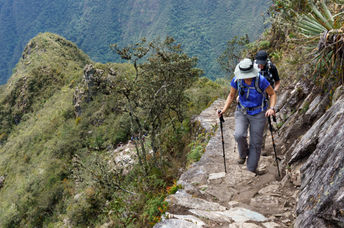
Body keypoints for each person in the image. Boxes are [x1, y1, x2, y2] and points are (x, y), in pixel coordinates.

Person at [218, 58, 276, 175]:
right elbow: (231, 95)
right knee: (239, 135)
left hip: (259, 112)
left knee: (256, 142)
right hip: (242, 111)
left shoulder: (261, 80)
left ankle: (251, 169)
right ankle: (243, 154)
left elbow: (272, 93)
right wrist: (224, 110)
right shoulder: (237, 80)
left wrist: (271, 108)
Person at [255, 50, 280, 155]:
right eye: (259, 63)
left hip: (267, 96)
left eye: (262, 63)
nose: (260, 65)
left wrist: (273, 92)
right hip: (255, 97)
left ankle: (261, 147)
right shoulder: (253, 67)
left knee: (265, 122)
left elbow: (277, 82)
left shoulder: (272, 68)